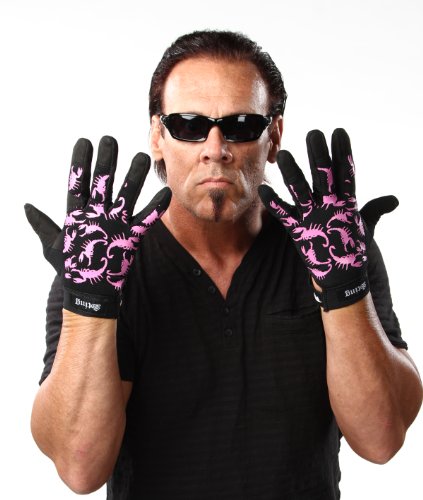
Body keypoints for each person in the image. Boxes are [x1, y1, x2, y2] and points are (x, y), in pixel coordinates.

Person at [25, 30, 422, 500]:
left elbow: (380, 439)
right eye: (189, 125)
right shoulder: (99, 262)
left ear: (274, 137)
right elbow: (79, 466)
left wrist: (343, 290)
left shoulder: (335, 249)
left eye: (241, 125)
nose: (215, 148)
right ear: (157, 136)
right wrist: (90, 303)